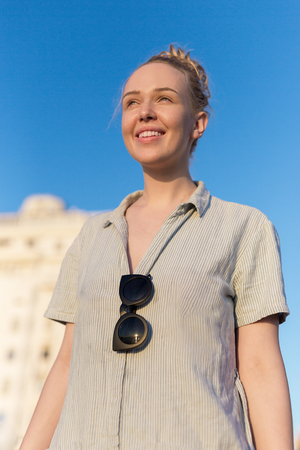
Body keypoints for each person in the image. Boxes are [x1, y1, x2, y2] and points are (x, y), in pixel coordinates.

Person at [20, 45, 293, 450]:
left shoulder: (244, 227)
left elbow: (259, 366)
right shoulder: (92, 235)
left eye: (164, 98)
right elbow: (66, 364)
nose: (145, 111)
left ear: (198, 122)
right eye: (133, 103)